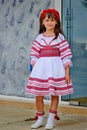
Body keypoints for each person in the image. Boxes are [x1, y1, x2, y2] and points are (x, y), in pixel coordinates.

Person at [25, 8, 74, 129]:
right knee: (39, 95)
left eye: (52, 20)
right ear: (42, 22)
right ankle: (40, 119)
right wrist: (37, 69)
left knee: (55, 94)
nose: (50, 22)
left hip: (56, 69)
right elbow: (34, 55)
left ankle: (51, 120)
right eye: (47, 20)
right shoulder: (39, 38)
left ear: (56, 22)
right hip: (41, 70)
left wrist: (67, 71)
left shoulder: (60, 38)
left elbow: (66, 55)